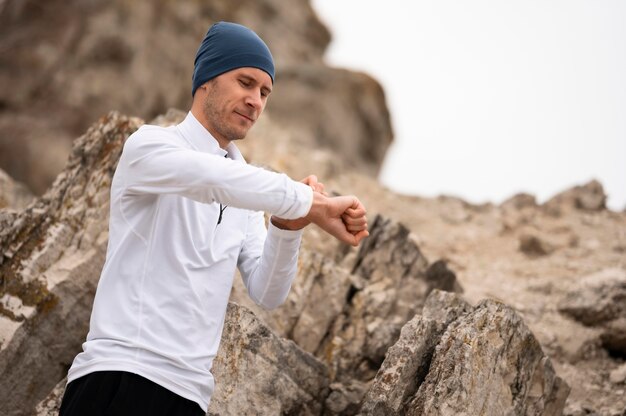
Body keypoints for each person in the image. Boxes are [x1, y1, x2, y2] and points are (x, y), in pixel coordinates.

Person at [59, 21, 368, 416]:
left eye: (264, 92)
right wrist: (308, 201)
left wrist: (288, 227)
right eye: (245, 82)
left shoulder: (245, 188)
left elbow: (267, 292)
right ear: (206, 79)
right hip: (119, 377)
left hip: (188, 396)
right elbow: (210, 178)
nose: (256, 100)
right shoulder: (151, 147)